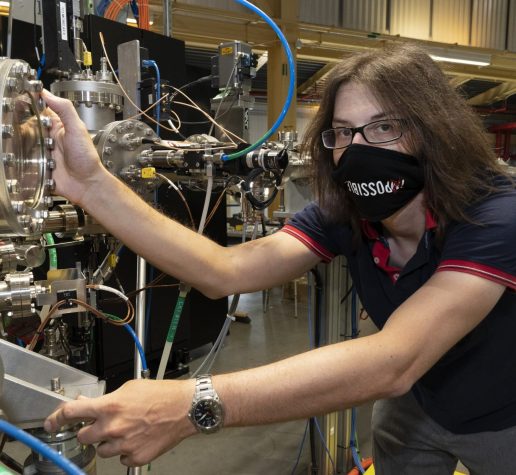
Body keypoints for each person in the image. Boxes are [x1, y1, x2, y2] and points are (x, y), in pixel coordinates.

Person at [42, 42, 516, 474]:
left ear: (436, 130)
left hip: (501, 414)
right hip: (418, 403)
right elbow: (224, 271)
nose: (358, 150)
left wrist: (194, 403)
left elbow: (393, 360)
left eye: (385, 127)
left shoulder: (494, 214)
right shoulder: (347, 212)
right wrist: (92, 186)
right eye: (343, 132)